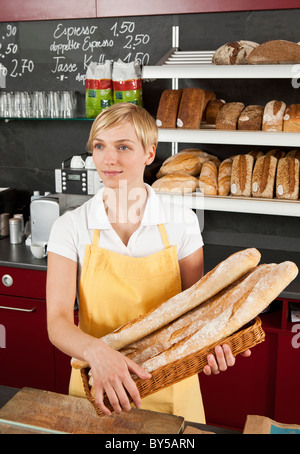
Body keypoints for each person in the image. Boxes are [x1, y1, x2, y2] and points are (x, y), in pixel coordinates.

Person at [46, 103, 250, 422]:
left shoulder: (181, 222)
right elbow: (57, 322)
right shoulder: (70, 226)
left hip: (171, 388)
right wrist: (98, 354)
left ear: (149, 153)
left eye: (123, 147)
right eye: (99, 146)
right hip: (95, 382)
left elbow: (195, 312)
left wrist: (211, 346)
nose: (108, 159)